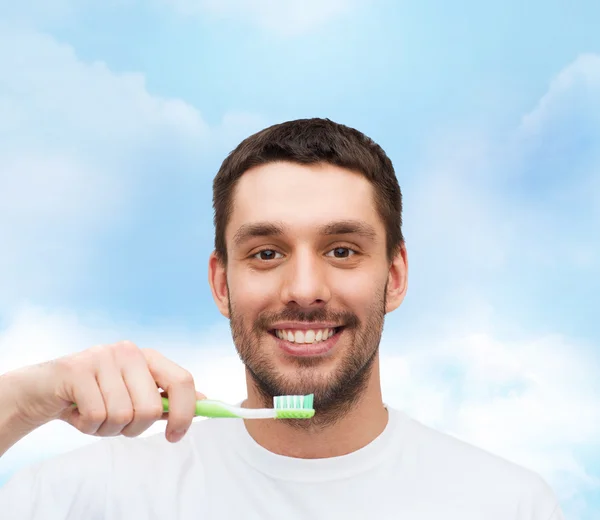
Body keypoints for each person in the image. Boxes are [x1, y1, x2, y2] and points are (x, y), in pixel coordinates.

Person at [0, 118, 564, 519]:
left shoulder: (507, 504)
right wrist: (24, 401)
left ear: (394, 277)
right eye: (267, 253)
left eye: (341, 250)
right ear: (222, 284)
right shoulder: (81, 498)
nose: (304, 290)